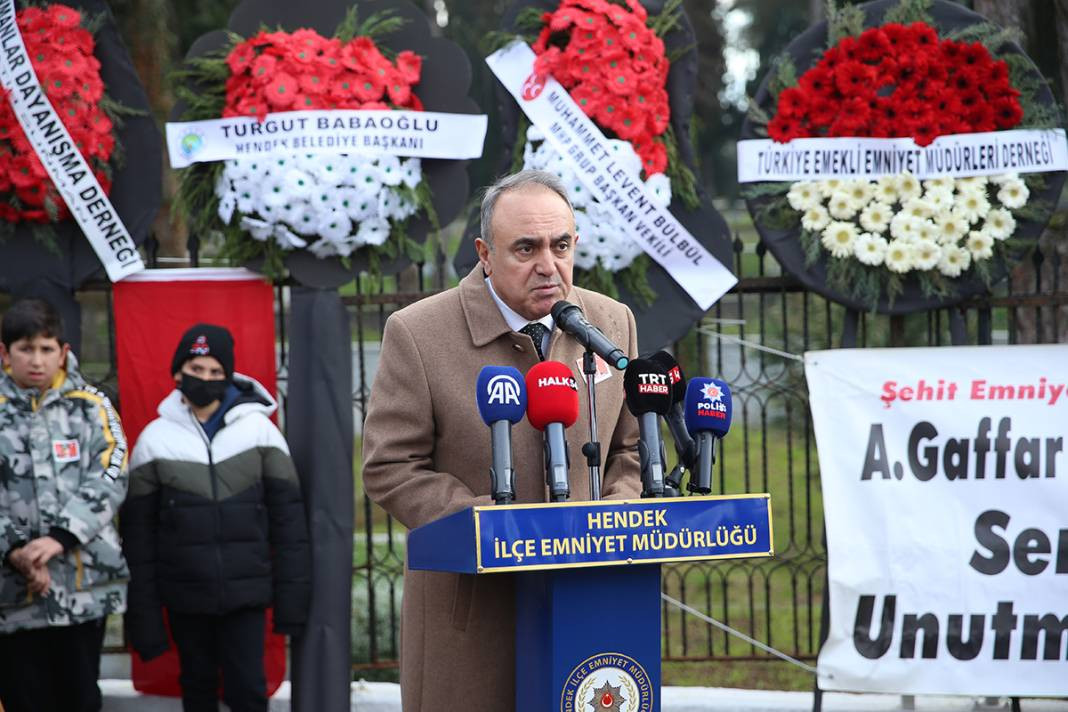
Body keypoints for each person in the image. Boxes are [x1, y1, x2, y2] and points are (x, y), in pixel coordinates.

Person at [362, 170, 642, 711]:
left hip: (590, 595)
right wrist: (488, 522)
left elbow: (627, 449)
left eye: (561, 245)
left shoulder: (610, 322)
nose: (548, 265)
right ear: (485, 254)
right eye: (526, 248)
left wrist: (618, 512)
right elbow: (389, 466)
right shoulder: (418, 333)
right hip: (471, 612)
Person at [120, 323, 310, 712]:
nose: (204, 379)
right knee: (197, 692)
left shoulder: (261, 432)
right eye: (196, 369)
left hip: (246, 598)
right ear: (178, 373)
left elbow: (289, 525)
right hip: (185, 598)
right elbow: (137, 539)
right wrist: (144, 618)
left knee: (248, 693)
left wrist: (292, 604)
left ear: (228, 377)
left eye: (215, 372)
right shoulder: (153, 440)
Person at [0, 297, 128, 712]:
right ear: (5, 353)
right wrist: (16, 550)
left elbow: (112, 473)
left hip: (81, 588)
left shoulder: (93, 406)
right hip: (12, 594)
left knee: (80, 699)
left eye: (46, 349)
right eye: (25, 349)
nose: (36, 360)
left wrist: (60, 537)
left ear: (63, 352)